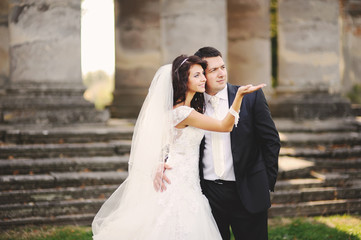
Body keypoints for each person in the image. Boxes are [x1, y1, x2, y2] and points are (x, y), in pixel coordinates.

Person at [92, 54, 265, 239]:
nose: (204, 79)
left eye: (203, 74)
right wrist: (239, 97)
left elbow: (164, 142)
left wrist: (159, 161)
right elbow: (225, 126)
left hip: (185, 178)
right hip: (179, 181)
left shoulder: (181, 110)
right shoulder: (184, 112)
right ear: (184, 80)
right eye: (197, 75)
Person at [155, 47, 281, 240]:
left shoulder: (251, 97)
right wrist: (161, 161)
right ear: (201, 76)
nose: (221, 73)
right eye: (213, 70)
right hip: (207, 195)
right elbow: (172, 135)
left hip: (247, 191)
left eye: (222, 67)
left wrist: (266, 182)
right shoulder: (191, 105)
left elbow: (271, 141)